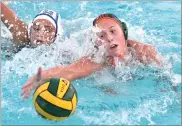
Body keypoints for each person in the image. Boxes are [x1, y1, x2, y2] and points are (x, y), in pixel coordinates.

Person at [21, 13, 162, 99]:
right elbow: (68, 71)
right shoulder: (98, 59)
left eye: (113, 31)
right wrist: (42, 77)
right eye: (102, 35)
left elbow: (166, 76)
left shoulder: (145, 52)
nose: (109, 38)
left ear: (124, 34)